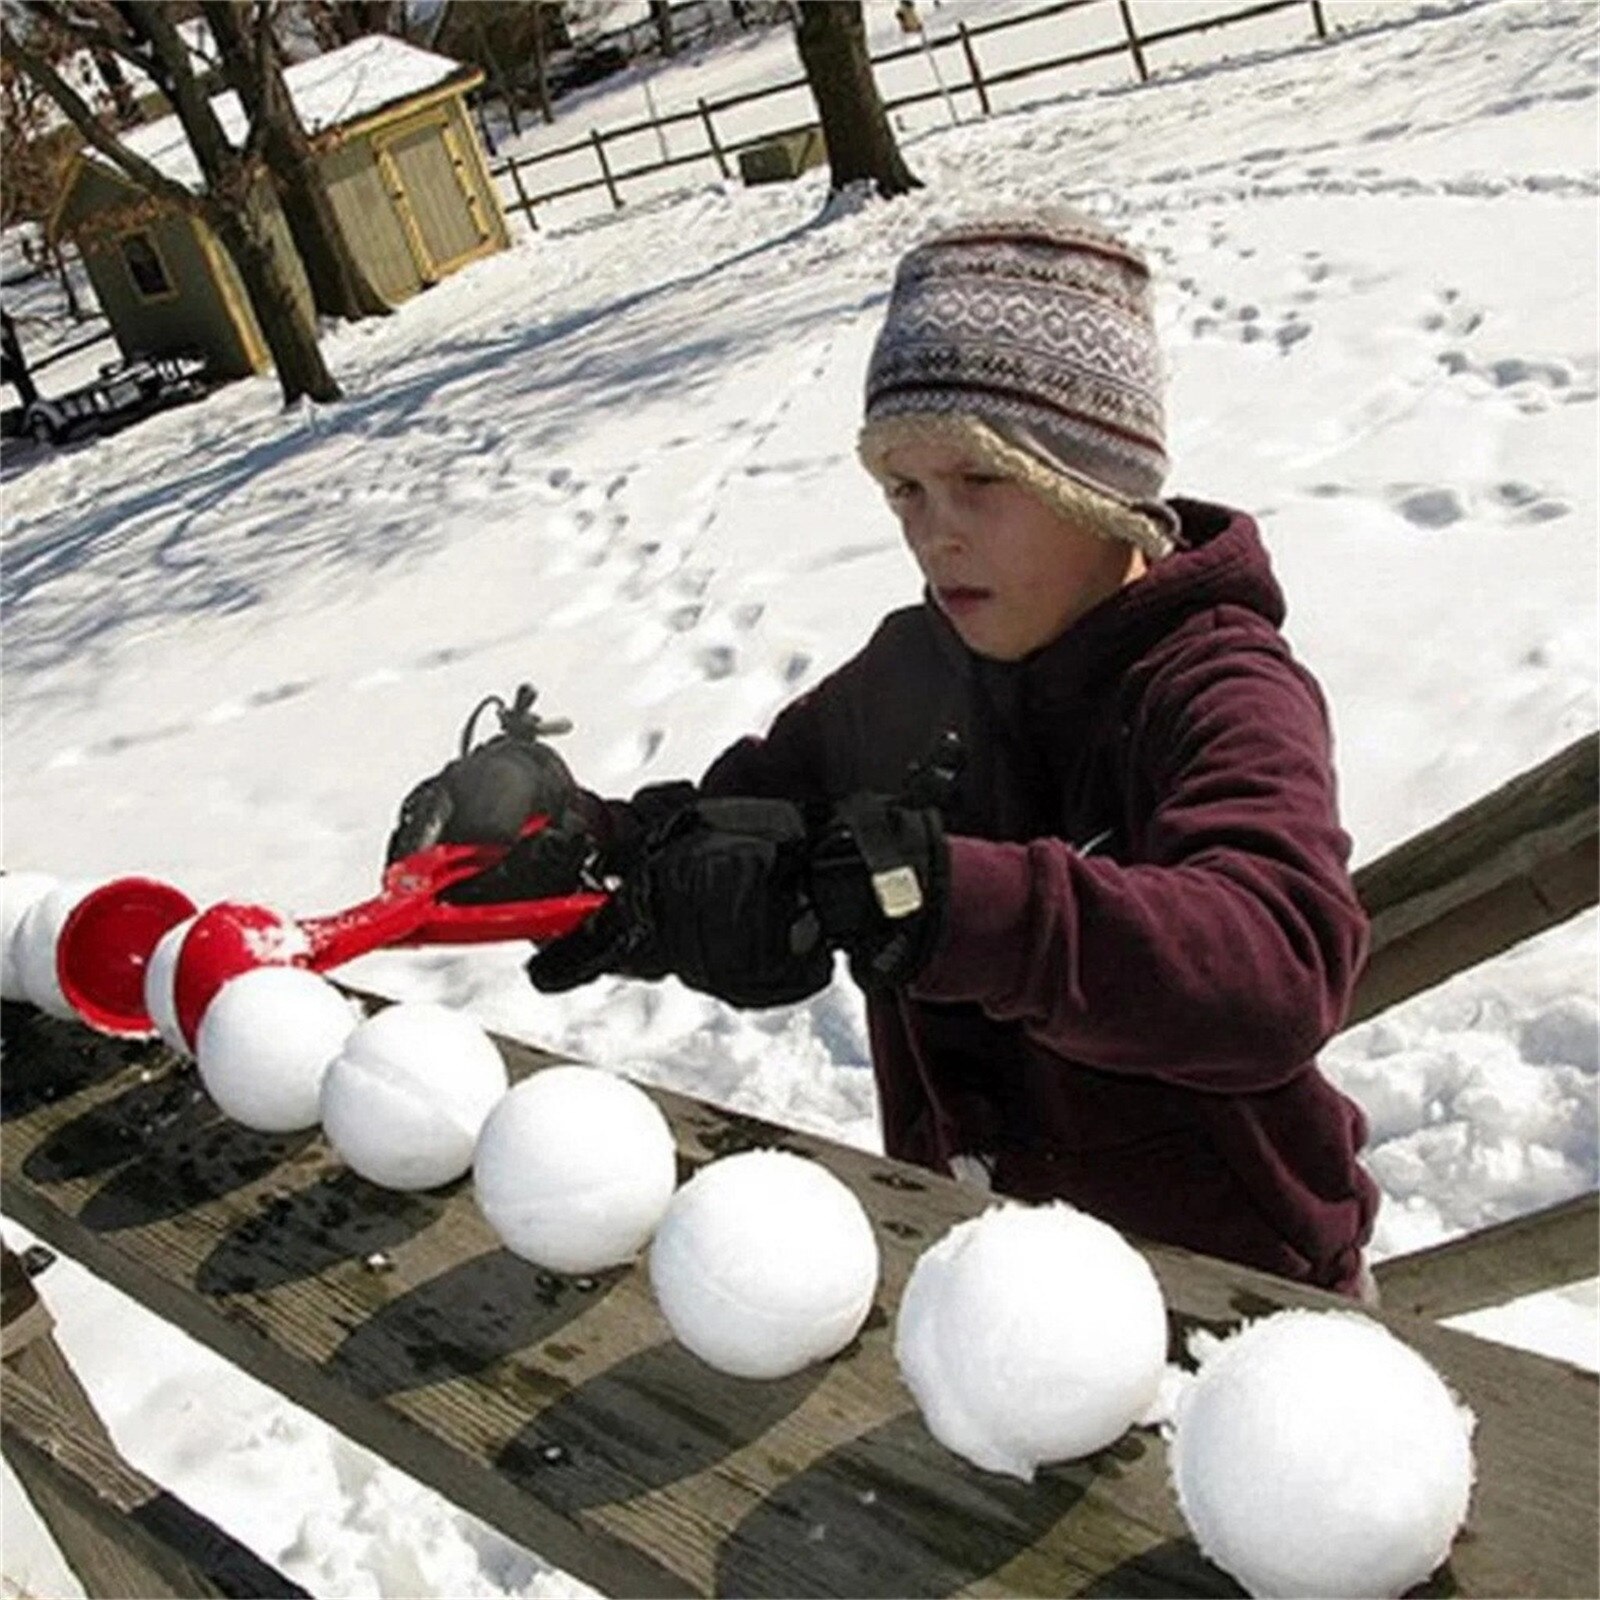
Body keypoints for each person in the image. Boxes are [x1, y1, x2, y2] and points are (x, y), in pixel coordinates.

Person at [388, 208, 1379, 1298]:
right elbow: (740, 824)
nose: (932, 530)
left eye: (981, 480)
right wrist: (582, 842)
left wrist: (949, 900)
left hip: (1237, 1301)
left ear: (1097, 484)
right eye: (903, 489)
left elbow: (1273, 967)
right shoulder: (912, 674)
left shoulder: (1218, 685)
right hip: (983, 1276)